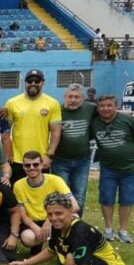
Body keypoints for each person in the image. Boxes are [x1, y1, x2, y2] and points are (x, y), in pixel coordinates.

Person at [91, 95, 134, 243]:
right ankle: (109, 229)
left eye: (109, 105)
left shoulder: (129, 119)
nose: (105, 108)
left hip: (130, 168)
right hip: (108, 168)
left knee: (127, 199)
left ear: (116, 106)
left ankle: (123, 230)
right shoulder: (94, 122)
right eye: (102, 106)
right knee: (106, 198)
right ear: (98, 108)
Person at [13, 151, 78, 254]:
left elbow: (75, 206)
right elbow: (22, 214)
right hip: (33, 221)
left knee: (74, 217)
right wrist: (35, 228)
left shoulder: (55, 180)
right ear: (23, 167)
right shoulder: (18, 185)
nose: (31, 167)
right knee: (27, 238)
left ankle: (65, 248)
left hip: (53, 218)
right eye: (27, 165)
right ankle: (44, 244)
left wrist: (49, 221)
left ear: (42, 165)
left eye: (35, 164)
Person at [4, 69, 61, 182]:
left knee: (40, 194)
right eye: (30, 81)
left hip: (40, 160)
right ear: (25, 83)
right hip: (17, 160)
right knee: (17, 194)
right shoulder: (12, 103)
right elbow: (5, 132)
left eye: (37, 81)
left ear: (42, 82)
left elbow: (56, 131)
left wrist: (49, 156)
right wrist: (8, 154)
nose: (33, 83)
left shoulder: (52, 103)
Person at [51, 84, 95, 217]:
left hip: (82, 161)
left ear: (83, 98)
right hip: (60, 161)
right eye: (70, 96)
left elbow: (111, 112)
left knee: (79, 194)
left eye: (77, 97)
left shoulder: (90, 108)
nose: (73, 100)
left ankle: (76, 224)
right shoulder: (56, 110)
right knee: (62, 194)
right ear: (64, 97)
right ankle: (61, 221)